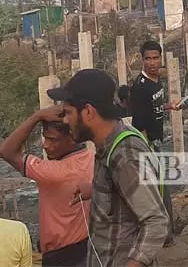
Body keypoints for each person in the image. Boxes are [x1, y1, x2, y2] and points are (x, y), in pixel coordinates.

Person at [55, 69, 170, 266]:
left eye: (68, 113)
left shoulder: (124, 155)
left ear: (89, 112)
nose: (65, 120)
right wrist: (96, 189)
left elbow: (156, 222)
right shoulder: (113, 141)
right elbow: (127, 189)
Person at [0, 104, 94, 266]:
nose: (45, 145)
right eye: (45, 138)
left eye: (52, 139)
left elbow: (7, 151)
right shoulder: (92, 158)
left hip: (61, 257)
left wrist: (36, 116)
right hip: (87, 248)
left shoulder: (53, 172)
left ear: (72, 137)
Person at [129, 40, 180, 245]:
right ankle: (164, 236)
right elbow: (139, 122)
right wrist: (147, 152)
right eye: (148, 59)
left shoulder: (156, 81)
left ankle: (163, 234)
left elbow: (154, 107)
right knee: (158, 191)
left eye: (156, 58)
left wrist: (169, 106)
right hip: (149, 145)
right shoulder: (140, 88)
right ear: (142, 60)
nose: (152, 62)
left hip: (157, 141)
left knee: (161, 188)